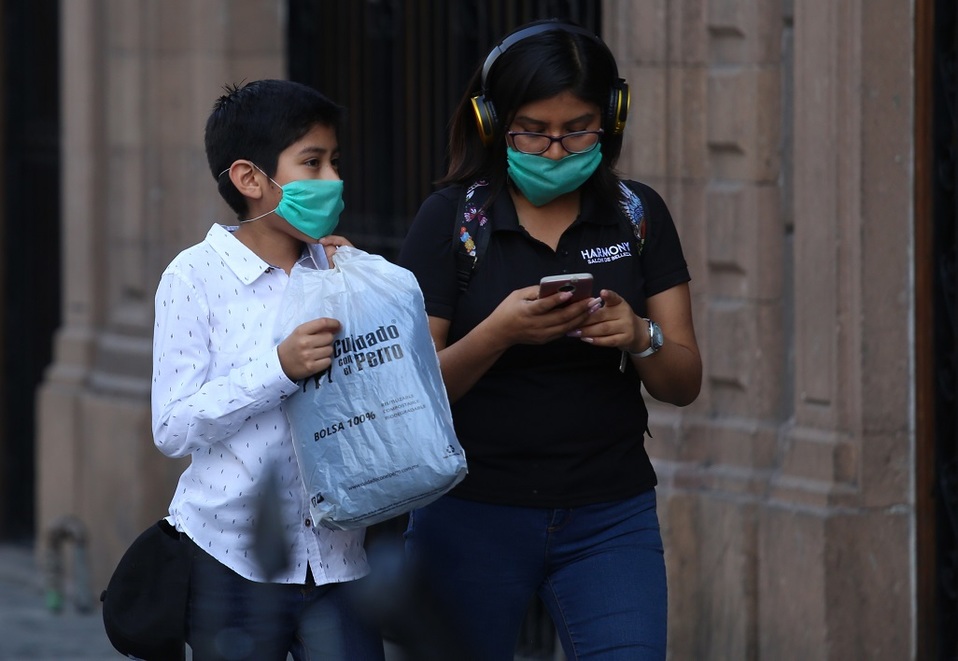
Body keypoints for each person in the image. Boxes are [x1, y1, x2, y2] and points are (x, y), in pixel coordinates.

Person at [397, 18, 702, 661]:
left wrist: (639, 335)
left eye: (578, 128)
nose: (557, 151)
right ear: (492, 123)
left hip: (609, 514)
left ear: (610, 120)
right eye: (534, 131)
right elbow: (409, 391)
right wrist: (499, 334)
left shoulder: (636, 212)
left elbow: (684, 381)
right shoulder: (454, 220)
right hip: (469, 512)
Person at [151, 79, 385, 661]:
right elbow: (173, 428)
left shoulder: (339, 270)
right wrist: (276, 369)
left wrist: (363, 292)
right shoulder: (193, 277)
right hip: (230, 558)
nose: (332, 179)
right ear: (250, 179)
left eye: (335, 161)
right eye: (312, 162)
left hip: (339, 558)